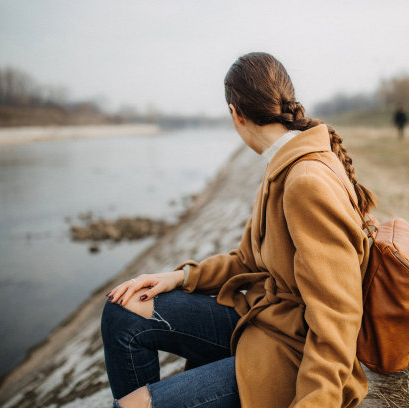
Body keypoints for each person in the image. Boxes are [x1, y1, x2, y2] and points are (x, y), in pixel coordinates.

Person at [101, 52, 377, 408]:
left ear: (236, 114)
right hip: (265, 321)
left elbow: (339, 316)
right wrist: (179, 277)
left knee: (130, 407)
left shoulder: (306, 182)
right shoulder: (283, 162)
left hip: (293, 355)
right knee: (123, 310)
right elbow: (248, 260)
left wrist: (315, 401)